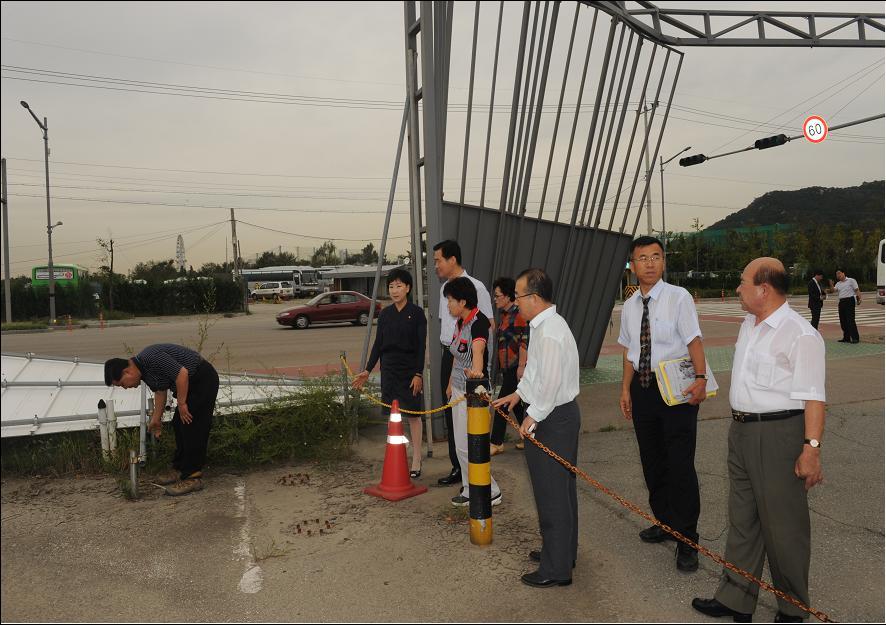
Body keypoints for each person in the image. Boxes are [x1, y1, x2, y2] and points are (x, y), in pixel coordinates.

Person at [692, 257, 826, 624]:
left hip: (779, 435)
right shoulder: (750, 324)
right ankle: (737, 598)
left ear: (763, 289)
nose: (737, 288)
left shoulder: (800, 334)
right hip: (742, 432)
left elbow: (814, 397)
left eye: (742, 282)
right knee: (743, 520)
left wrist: (810, 450)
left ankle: (793, 609)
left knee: (784, 526)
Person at [618, 235, 708, 573]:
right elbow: (629, 352)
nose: (650, 263)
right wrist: (625, 391)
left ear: (664, 262)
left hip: (677, 392)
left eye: (656, 256)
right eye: (643, 258)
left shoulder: (678, 298)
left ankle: (687, 538)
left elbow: (693, 340)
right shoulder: (628, 306)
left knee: (680, 464)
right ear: (633, 265)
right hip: (643, 389)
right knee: (652, 462)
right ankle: (666, 522)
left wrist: (700, 378)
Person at [492, 268, 580, 589]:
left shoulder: (551, 332)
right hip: (553, 413)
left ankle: (556, 569)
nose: (515, 302)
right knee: (561, 490)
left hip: (553, 417)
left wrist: (534, 416)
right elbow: (535, 374)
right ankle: (561, 553)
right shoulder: (542, 326)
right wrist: (518, 395)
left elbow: (552, 382)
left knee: (552, 493)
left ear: (535, 298)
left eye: (518, 296)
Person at [104, 343, 219, 497]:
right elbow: (160, 392)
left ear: (127, 371)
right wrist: (156, 420)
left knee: (192, 427)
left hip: (202, 379)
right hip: (190, 385)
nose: (126, 388)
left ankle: (193, 477)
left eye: (123, 384)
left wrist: (183, 403)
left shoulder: (150, 358)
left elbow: (182, 374)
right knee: (178, 424)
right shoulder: (145, 371)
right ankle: (179, 469)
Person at [352, 268, 427, 477]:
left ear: (408, 288)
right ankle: (398, 456)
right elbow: (378, 344)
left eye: (399, 286)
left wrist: (418, 374)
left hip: (410, 371)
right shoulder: (385, 314)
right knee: (394, 416)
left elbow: (421, 347)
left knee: (413, 415)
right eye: (391, 286)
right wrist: (367, 370)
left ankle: (417, 458)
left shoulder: (417, 313)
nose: (394, 290)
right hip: (390, 370)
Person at [433, 240, 494, 486]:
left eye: (438, 260)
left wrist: (480, 370)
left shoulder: (476, 289)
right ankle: (461, 472)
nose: (435, 265)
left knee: (471, 433)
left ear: (452, 260)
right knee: (453, 421)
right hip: (453, 356)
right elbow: (446, 327)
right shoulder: (445, 291)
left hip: (471, 367)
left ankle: (482, 486)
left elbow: (485, 331)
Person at [442, 276, 502, 508]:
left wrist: (476, 371)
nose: (448, 305)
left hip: (474, 393)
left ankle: (490, 489)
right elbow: (457, 358)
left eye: (450, 300)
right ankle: (469, 487)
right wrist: (449, 384)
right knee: (460, 444)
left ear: (463, 301)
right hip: (458, 389)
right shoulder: (460, 323)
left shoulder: (478, 323)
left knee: (472, 444)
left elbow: (478, 352)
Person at [490, 277, 529, 455]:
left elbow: (524, 342)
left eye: (497, 295)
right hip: (508, 368)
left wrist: (521, 366)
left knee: (502, 404)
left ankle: (497, 442)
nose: (495, 299)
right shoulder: (506, 316)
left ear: (507, 296)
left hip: (515, 368)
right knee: (518, 403)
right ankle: (528, 437)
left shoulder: (519, 315)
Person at [833, 268, 861, 343]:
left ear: (843, 273)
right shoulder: (838, 284)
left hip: (849, 301)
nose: (838, 275)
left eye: (839, 273)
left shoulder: (851, 280)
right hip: (841, 302)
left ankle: (855, 338)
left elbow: (857, 290)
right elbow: (833, 290)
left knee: (850, 320)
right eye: (836, 274)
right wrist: (830, 285)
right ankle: (846, 337)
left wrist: (859, 299)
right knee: (843, 320)